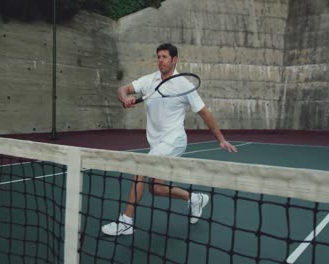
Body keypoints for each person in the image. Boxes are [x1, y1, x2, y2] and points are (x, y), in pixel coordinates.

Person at [101, 43, 237, 236]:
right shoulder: (150, 80)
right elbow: (122, 88)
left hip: (175, 139)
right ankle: (195, 198)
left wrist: (220, 139)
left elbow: (204, 113)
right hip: (157, 142)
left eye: (164, 57)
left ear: (174, 60)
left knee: (141, 169)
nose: (160, 60)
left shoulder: (184, 85)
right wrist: (124, 98)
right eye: (158, 57)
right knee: (156, 188)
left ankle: (126, 222)